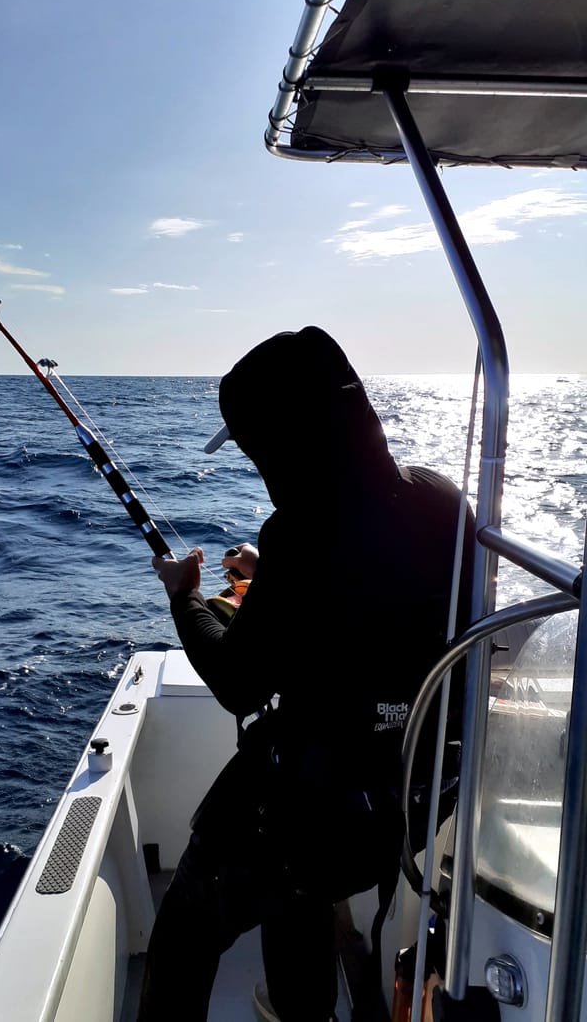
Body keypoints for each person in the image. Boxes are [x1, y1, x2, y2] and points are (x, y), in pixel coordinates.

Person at [138, 326, 475, 1022]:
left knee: (184, 935)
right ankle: (306, 1009)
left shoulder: (299, 531)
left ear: (283, 437)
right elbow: (374, 605)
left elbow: (238, 680)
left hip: (317, 808)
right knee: (298, 875)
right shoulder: (441, 499)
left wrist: (184, 594)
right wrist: (273, 584)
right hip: (402, 798)